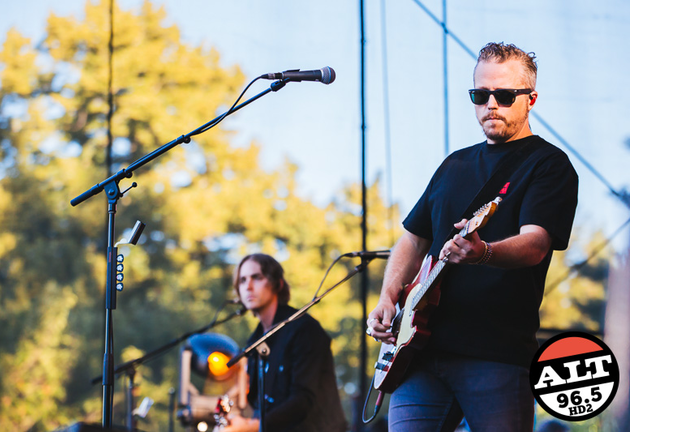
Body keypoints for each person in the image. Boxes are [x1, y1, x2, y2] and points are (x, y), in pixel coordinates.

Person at [366, 42, 578, 431]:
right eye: (480, 95)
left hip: (495, 354)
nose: (491, 104)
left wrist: (484, 253)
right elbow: (413, 240)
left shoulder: (549, 165)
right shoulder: (454, 164)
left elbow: (536, 243)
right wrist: (387, 298)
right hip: (420, 351)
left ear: (530, 99)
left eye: (504, 95)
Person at [223, 253, 348, 432]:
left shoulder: (303, 329)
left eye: (256, 277)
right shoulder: (254, 341)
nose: (248, 286)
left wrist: (252, 426)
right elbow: (260, 402)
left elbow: (302, 399)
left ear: (277, 284)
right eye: (242, 280)